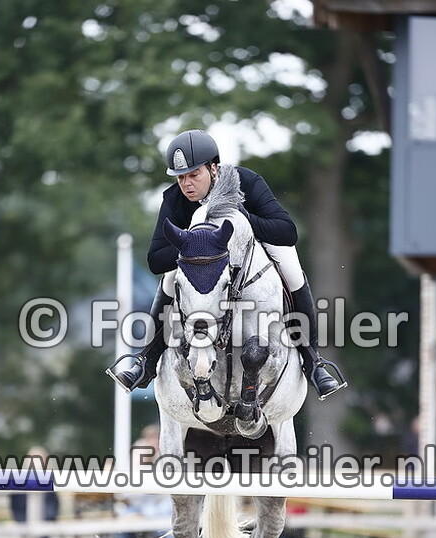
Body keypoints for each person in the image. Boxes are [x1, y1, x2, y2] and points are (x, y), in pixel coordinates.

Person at [111, 129, 344, 400]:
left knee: (292, 272)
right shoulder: (174, 199)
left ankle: (313, 361)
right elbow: (155, 259)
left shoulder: (248, 182)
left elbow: (287, 232)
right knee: (169, 278)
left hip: (252, 248)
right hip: (201, 263)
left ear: (213, 168)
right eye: (181, 177)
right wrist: (192, 242)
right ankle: (145, 362)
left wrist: (244, 220)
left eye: (194, 174)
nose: (186, 184)